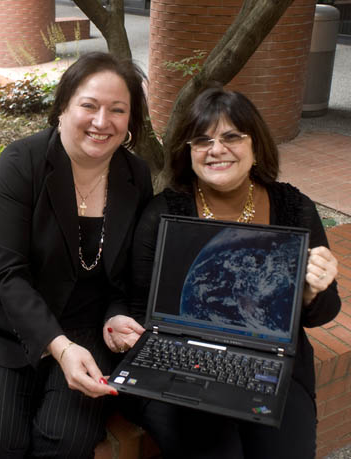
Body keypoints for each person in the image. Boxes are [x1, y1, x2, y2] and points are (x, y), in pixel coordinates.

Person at [127, 85, 341, 459]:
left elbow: (324, 312)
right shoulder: (162, 213)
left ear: (255, 146)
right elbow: (136, 303)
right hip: (184, 360)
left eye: (231, 137)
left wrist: (312, 292)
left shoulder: (294, 208)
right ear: (188, 152)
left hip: (271, 363)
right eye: (202, 140)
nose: (216, 149)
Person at [0, 51, 153, 458]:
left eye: (118, 110)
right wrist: (57, 346)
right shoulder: (22, 162)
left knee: (66, 440)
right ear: (63, 107)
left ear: (130, 122)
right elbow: (7, 273)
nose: (102, 122)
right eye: (89, 105)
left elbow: (122, 276)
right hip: (11, 323)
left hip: (86, 326)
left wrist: (117, 314)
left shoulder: (135, 176)